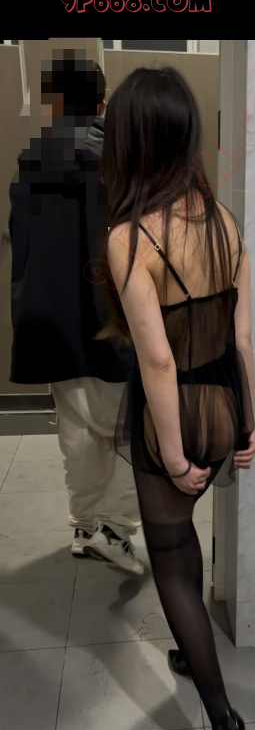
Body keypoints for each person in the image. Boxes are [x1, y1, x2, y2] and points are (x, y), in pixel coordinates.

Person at [101, 66, 255, 730]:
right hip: (224, 406)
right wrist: (249, 425)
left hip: (174, 416)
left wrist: (170, 454)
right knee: (186, 533)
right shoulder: (227, 222)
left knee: (168, 553)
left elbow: (158, 362)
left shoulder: (130, 238)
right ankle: (194, 655)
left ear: (132, 141)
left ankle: (223, 716)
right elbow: (242, 340)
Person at [9, 51, 143, 575]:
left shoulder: (30, 163)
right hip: (111, 317)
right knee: (132, 428)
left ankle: (85, 526)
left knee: (77, 427)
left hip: (51, 320)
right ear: (102, 104)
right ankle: (115, 529)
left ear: (52, 104)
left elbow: (24, 246)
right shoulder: (122, 163)